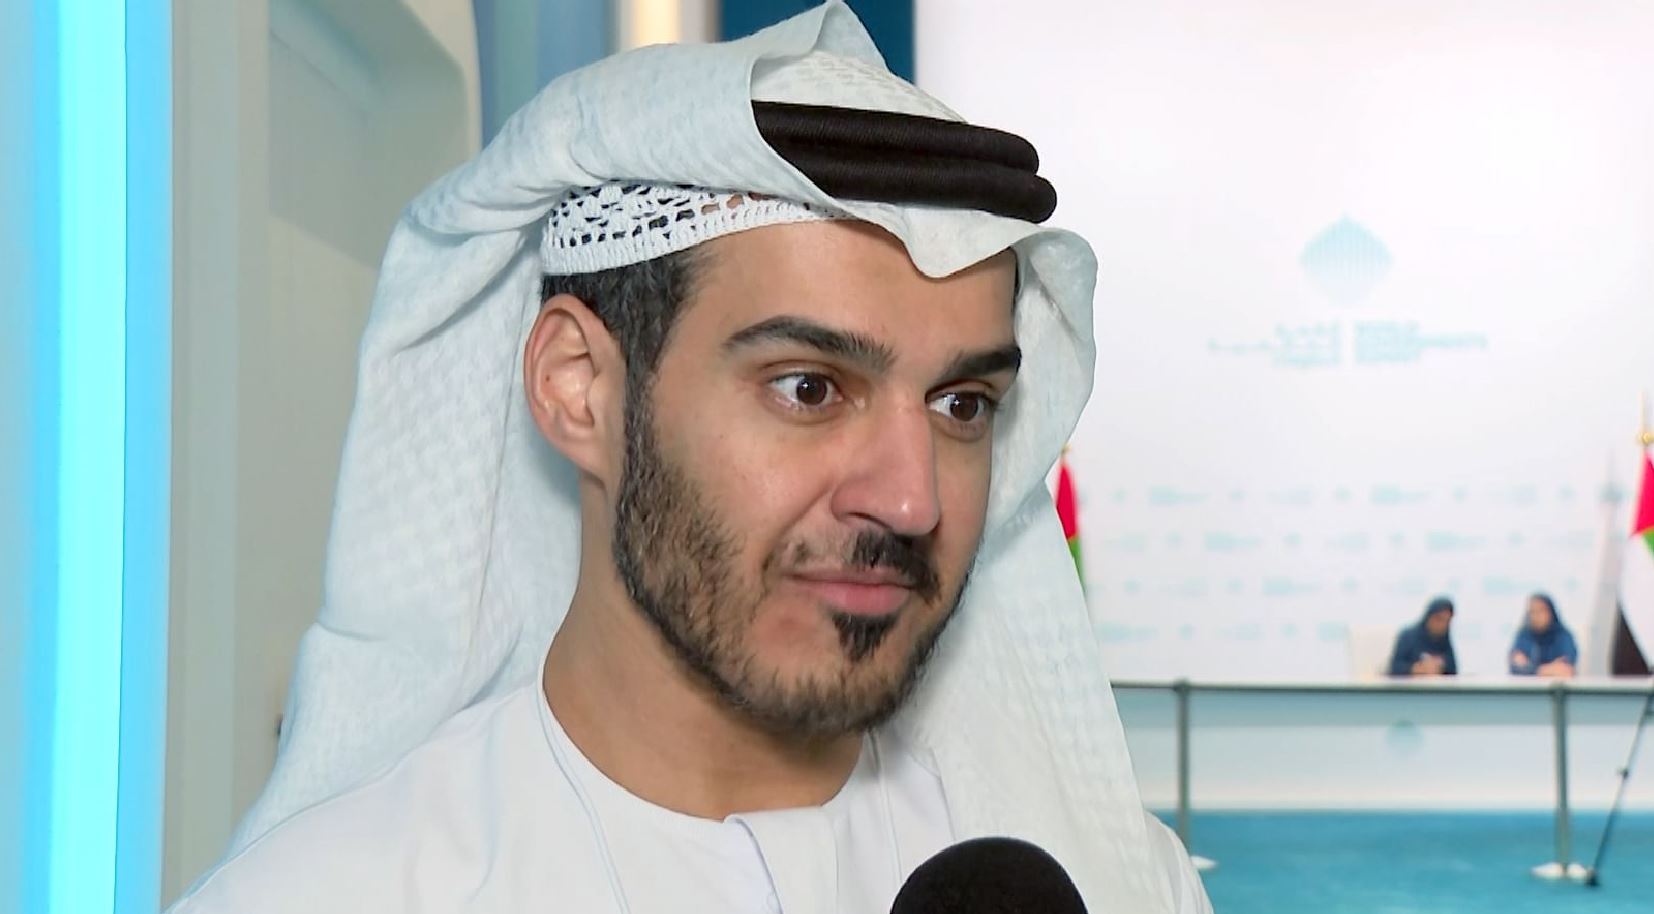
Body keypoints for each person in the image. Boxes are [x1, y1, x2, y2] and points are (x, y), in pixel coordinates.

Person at [168, 4, 1209, 913]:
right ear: (578, 386)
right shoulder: (335, 893)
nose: (910, 498)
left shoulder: (1116, 885)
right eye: (808, 388)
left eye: (961, 404)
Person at [1509, 593, 1577, 678]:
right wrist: (1543, 670)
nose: (1536, 616)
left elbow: (1565, 669)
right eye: (1532, 612)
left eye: (1541, 611)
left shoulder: (1563, 636)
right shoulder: (1524, 635)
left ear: (1551, 613)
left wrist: (1531, 669)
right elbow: (1516, 666)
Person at [1388, 596, 1458, 677]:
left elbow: (1453, 671)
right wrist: (1416, 669)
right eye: (1439, 619)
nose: (1443, 625)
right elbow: (1394, 668)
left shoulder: (1445, 641)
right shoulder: (1408, 636)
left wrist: (1440, 667)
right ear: (1429, 617)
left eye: (1447, 621)